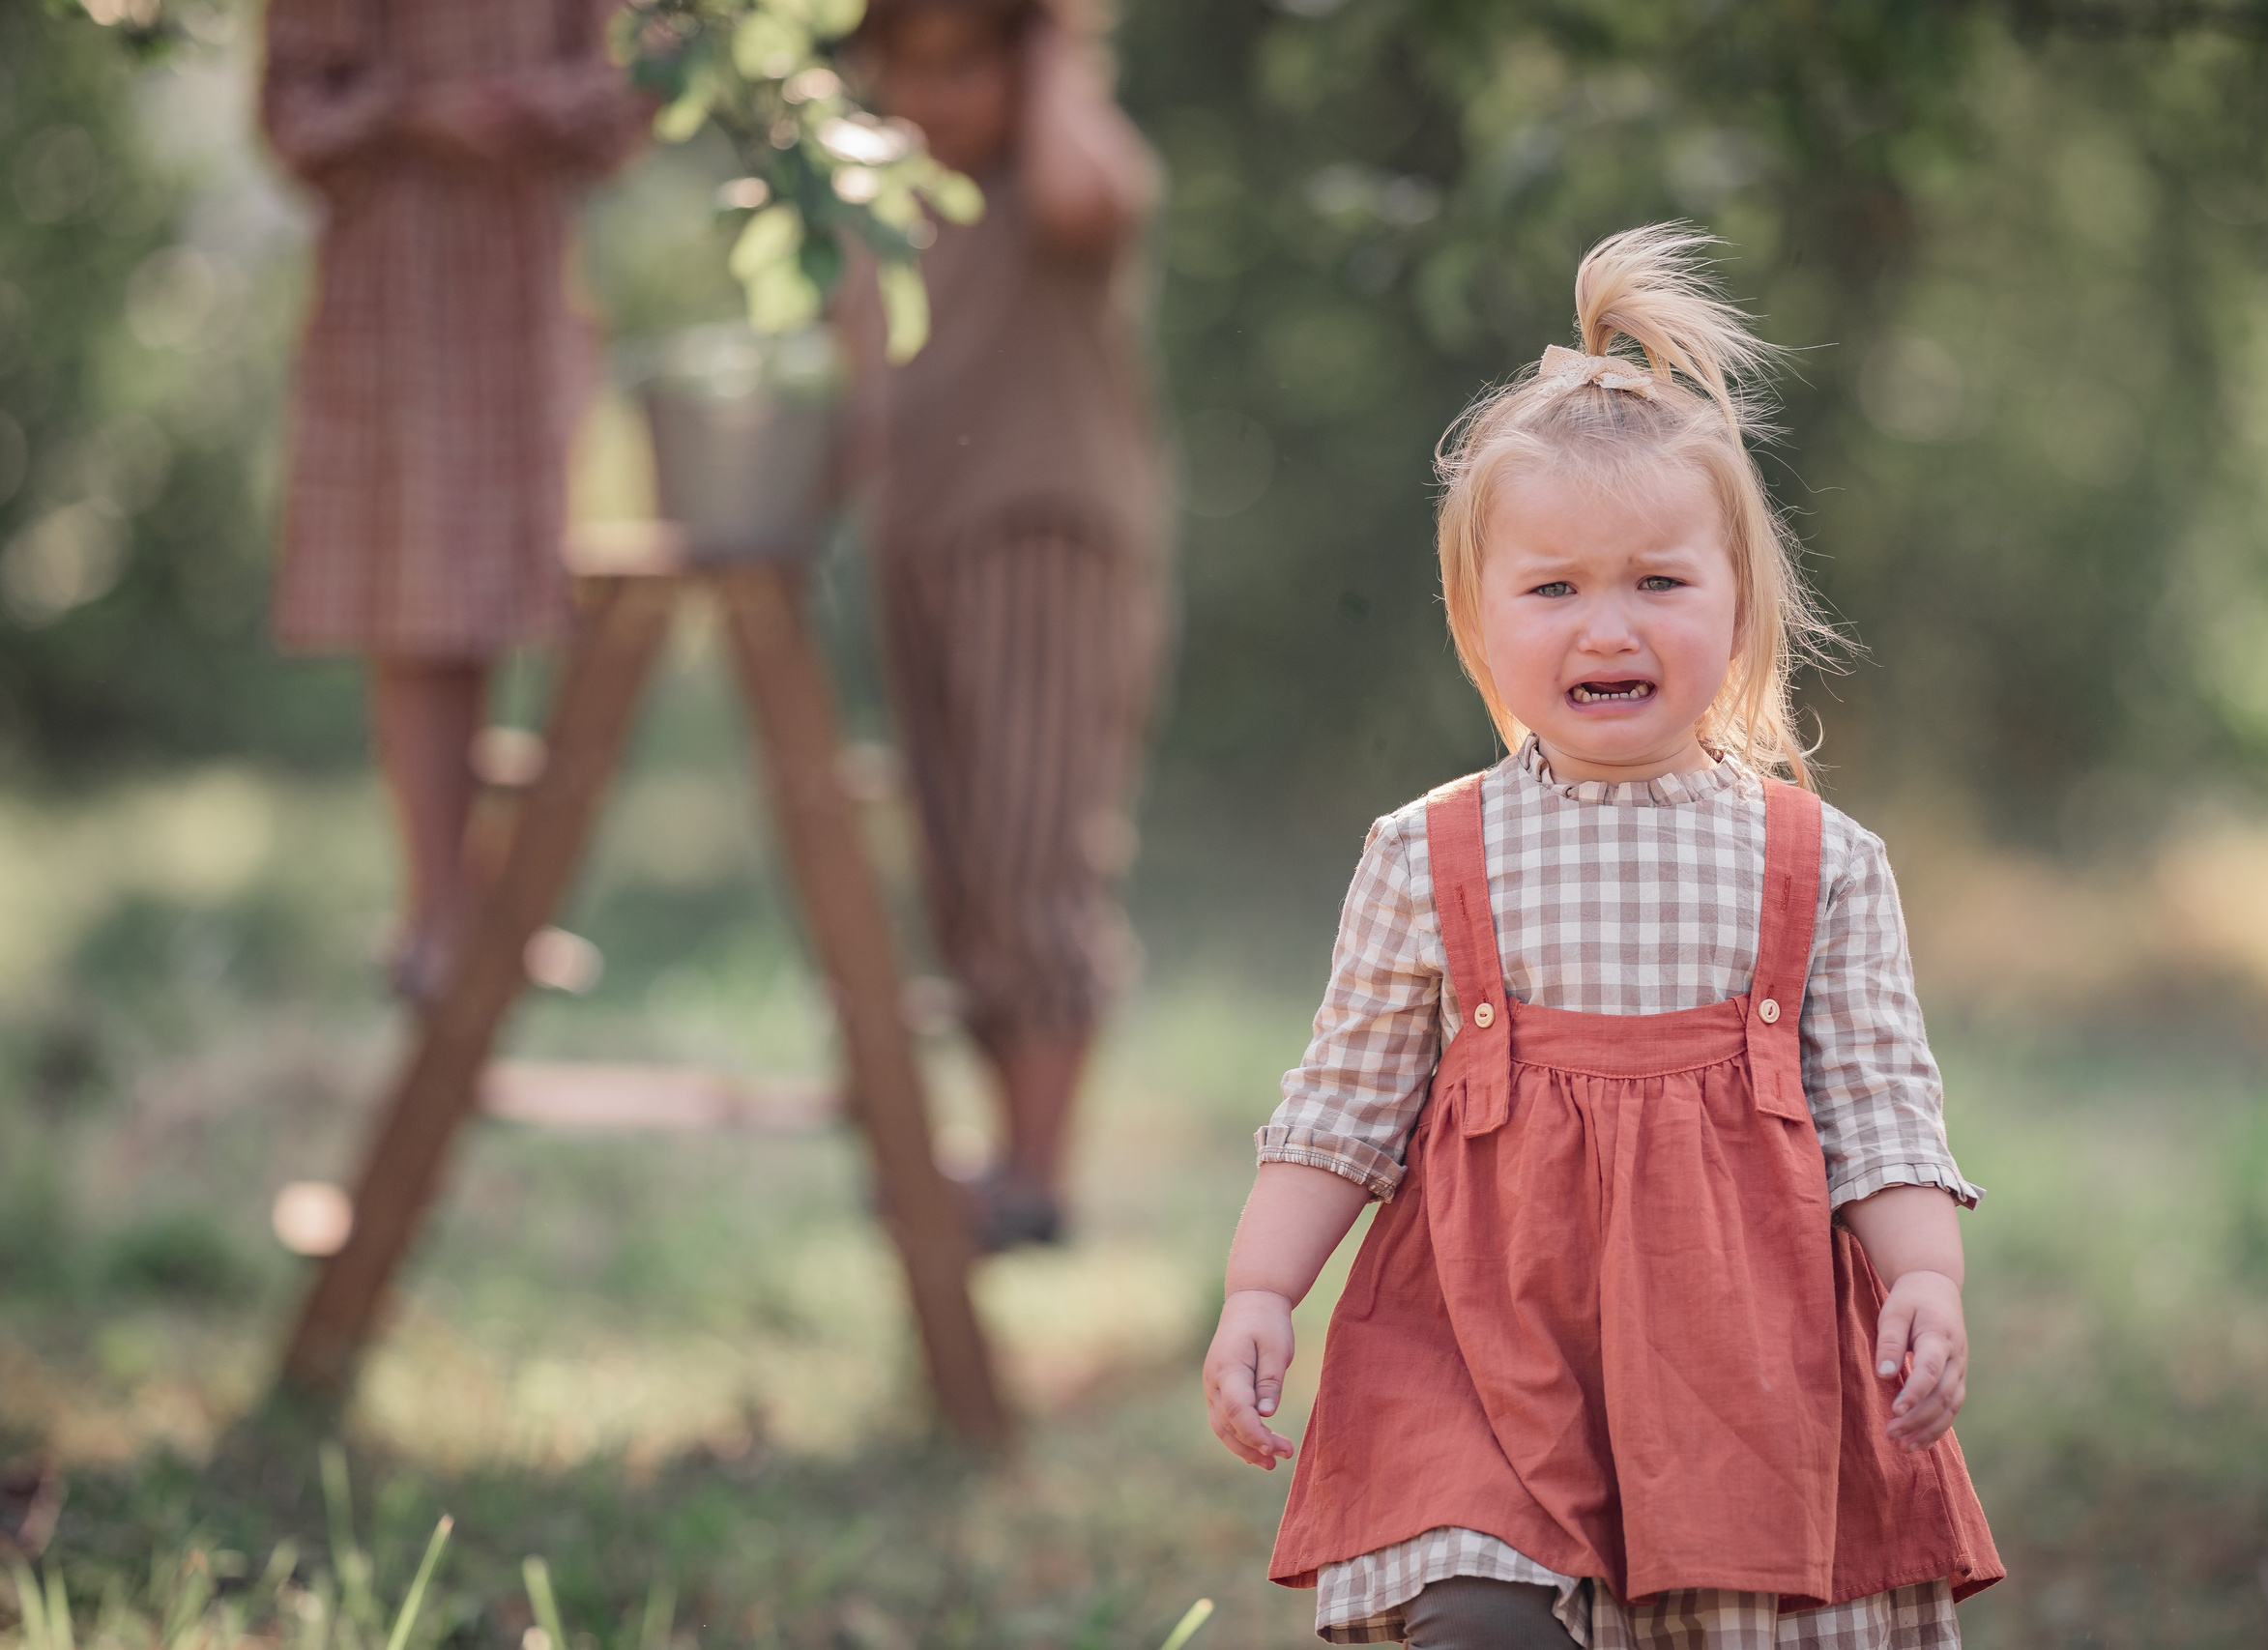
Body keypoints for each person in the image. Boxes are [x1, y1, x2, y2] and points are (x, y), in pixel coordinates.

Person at [1200, 227, 2003, 1649]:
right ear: (1477, 616)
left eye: (1659, 581)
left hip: (1737, 1343)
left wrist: (1926, 1275)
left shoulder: (1817, 859)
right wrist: (1263, 1287)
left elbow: (1881, 1104)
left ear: (1740, 602)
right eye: (1554, 587)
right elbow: (1341, 1105)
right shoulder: (1428, 850)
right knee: (1479, 1610)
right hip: (1481, 1333)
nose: (1606, 623)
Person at [838, 0, 1166, 1249]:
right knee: (961, 861)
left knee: (1036, 848)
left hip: (1043, 536)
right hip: (920, 544)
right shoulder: (886, 208)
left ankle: (1038, 1172)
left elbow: (1089, 193)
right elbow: (854, 383)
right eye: (905, 70)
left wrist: (1049, 50)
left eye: (967, 64)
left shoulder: (1060, 176)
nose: (934, 98)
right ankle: (1002, 1151)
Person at [259, 0, 652, 1003]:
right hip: (394, 273)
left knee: (493, 592)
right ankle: (437, 908)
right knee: (417, 586)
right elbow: (290, 118)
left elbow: (628, 93)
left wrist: (537, 107)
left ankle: (477, 903)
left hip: (518, 270)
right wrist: (406, 114)